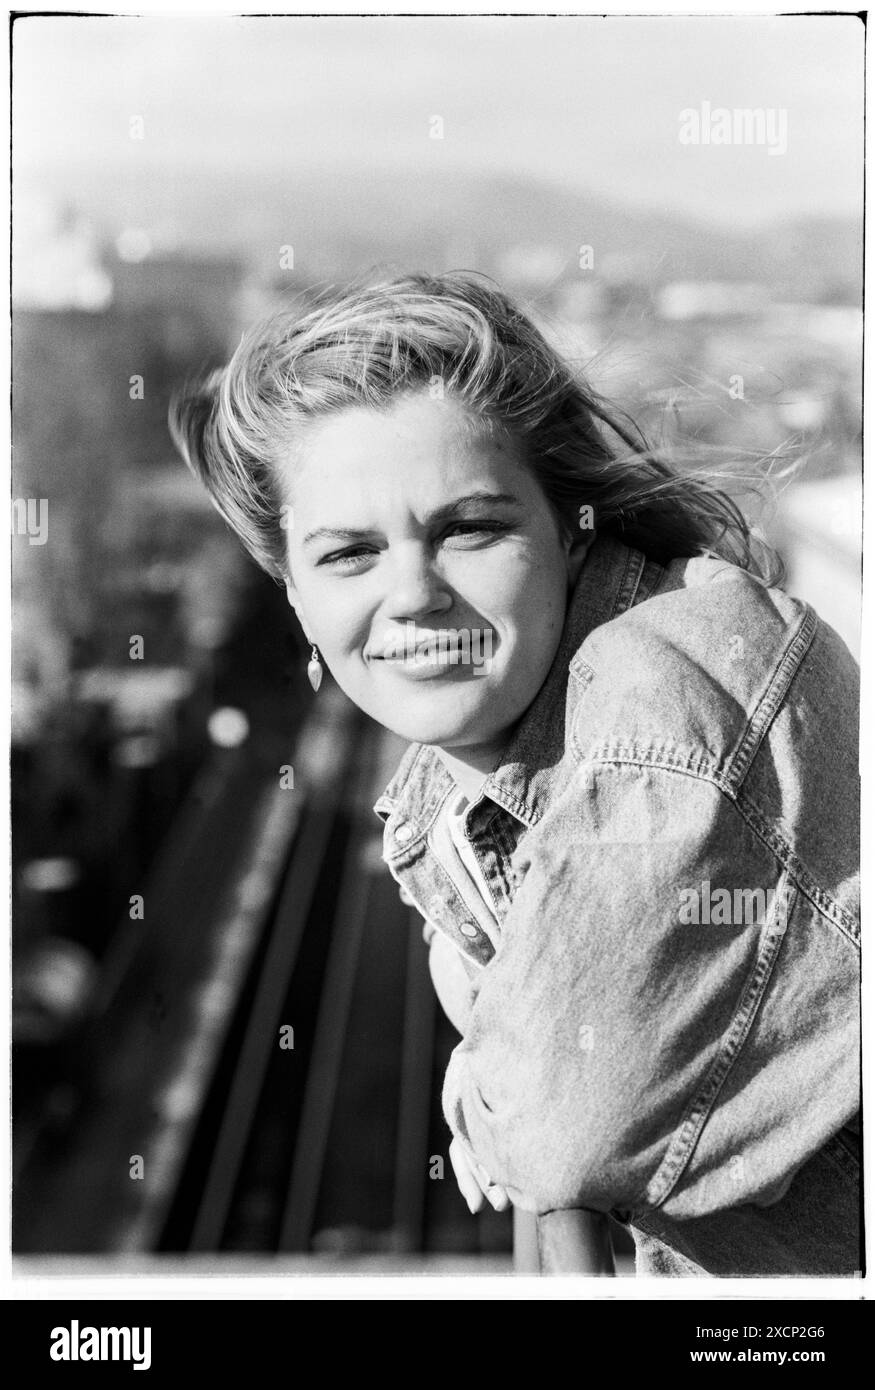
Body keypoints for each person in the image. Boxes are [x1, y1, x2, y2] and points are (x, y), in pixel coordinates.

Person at [170, 271, 860, 1277]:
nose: (411, 594)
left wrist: (485, 1076)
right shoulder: (479, 754)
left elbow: (564, 1120)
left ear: (567, 521)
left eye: (467, 529)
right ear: (295, 597)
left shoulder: (664, 689)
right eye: (348, 553)